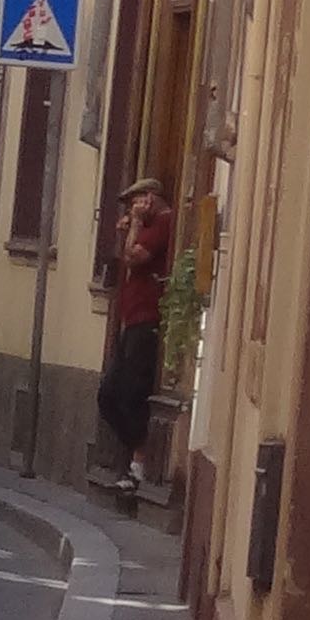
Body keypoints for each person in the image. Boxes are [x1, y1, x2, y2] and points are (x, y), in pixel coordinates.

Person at [98, 179, 175, 494]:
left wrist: (135, 227)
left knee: (132, 392)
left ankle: (139, 461)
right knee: (109, 395)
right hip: (131, 321)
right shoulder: (145, 227)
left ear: (150, 198)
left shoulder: (163, 223)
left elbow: (133, 257)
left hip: (147, 321)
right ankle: (133, 456)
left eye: (134, 203)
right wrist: (126, 230)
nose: (130, 210)